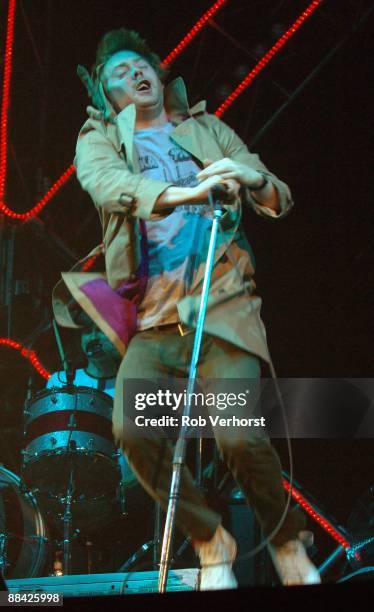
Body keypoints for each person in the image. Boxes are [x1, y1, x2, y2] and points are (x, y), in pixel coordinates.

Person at [69, 28, 320, 589]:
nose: (134, 74)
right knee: (133, 427)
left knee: (235, 434)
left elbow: (274, 190)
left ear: (158, 72)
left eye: (141, 65)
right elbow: (107, 184)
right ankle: (210, 539)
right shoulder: (100, 136)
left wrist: (246, 177)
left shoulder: (207, 129)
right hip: (156, 321)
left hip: (222, 307)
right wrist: (187, 193)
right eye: (118, 73)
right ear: (108, 96)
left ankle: (285, 541)